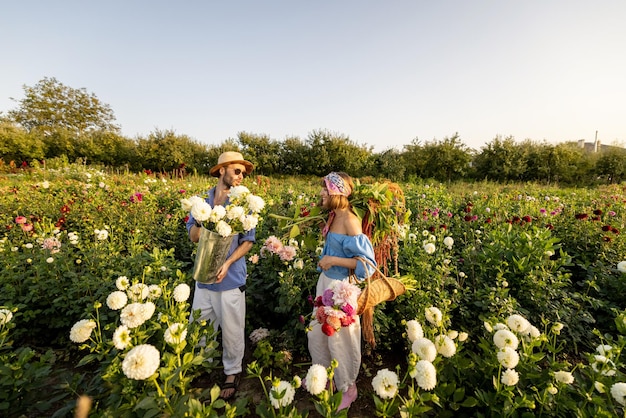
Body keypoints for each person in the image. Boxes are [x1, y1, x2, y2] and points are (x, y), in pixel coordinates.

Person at [186, 151, 256, 400]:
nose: (241, 176)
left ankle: (232, 372)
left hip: (230, 278)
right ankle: (200, 365)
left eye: (244, 173)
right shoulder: (202, 202)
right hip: (204, 276)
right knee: (199, 325)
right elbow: (192, 236)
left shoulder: (244, 205)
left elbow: (248, 242)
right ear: (221, 171)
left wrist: (227, 263)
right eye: (237, 171)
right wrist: (204, 220)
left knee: (232, 329)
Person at [308, 171, 376, 411]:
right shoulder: (332, 215)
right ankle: (327, 378)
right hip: (325, 283)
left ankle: (348, 387)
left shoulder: (350, 220)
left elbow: (368, 264)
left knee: (341, 339)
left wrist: (333, 259)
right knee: (318, 333)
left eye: (325, 189)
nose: (321, 193)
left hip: (341, 290)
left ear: (337, 192)